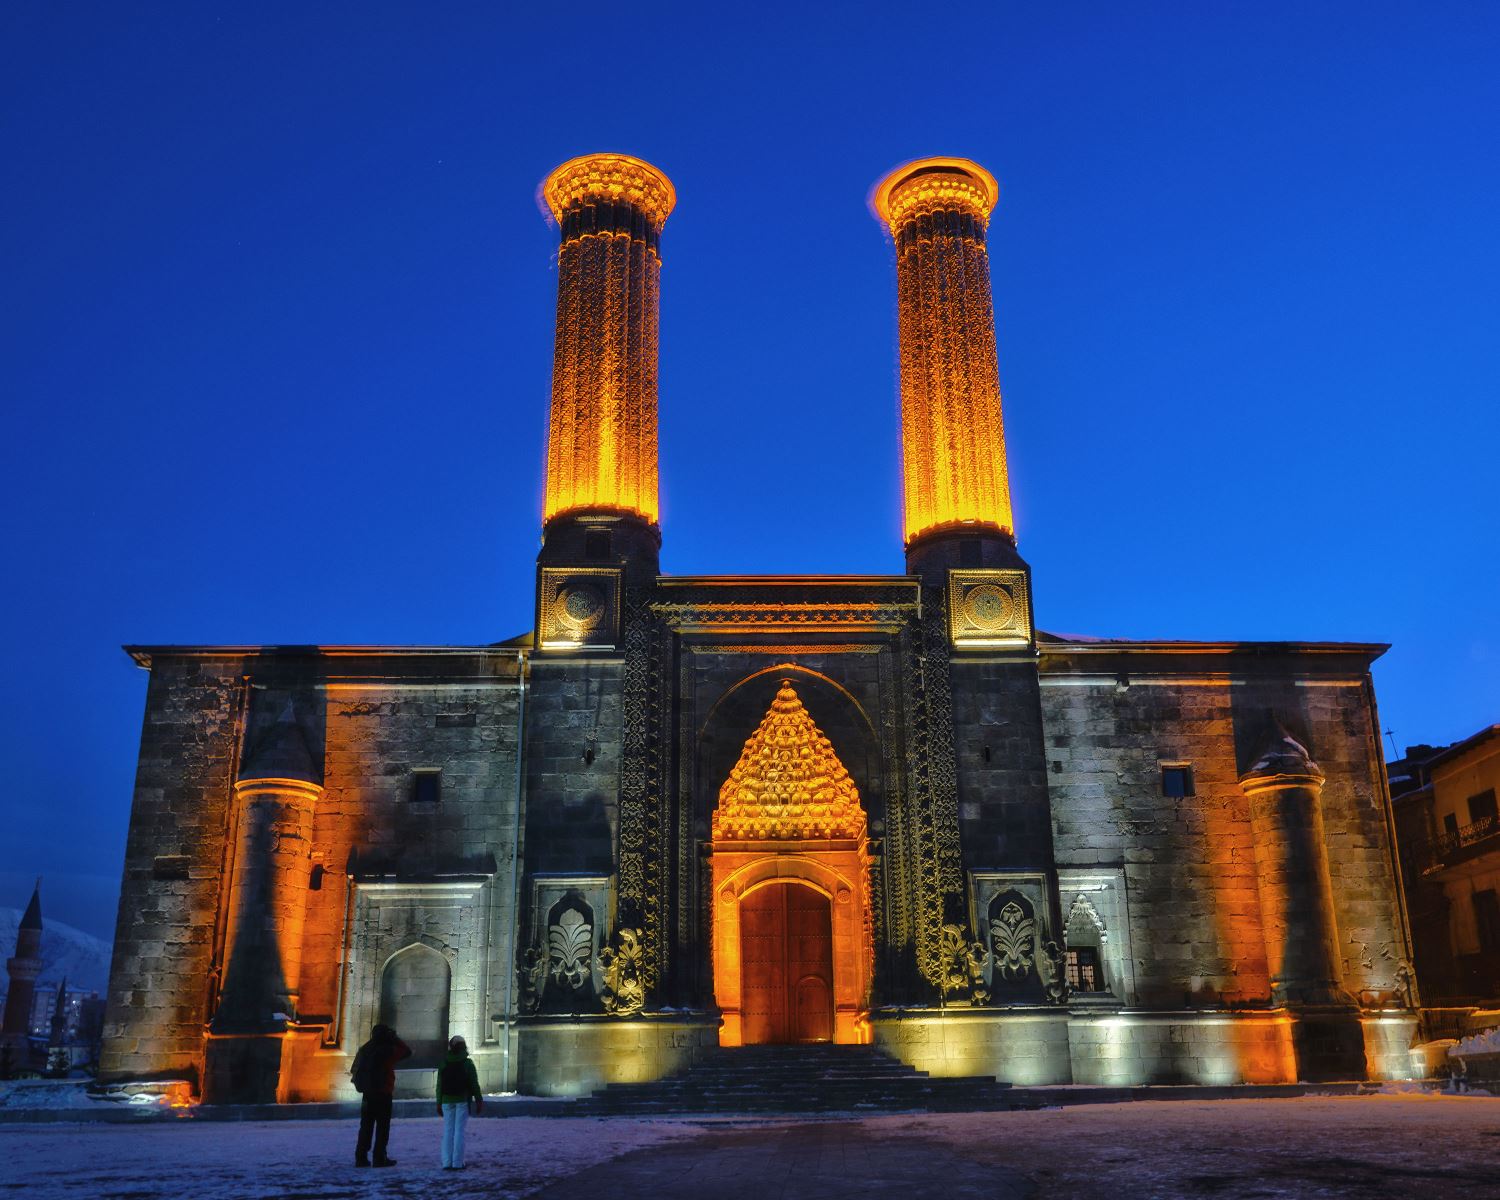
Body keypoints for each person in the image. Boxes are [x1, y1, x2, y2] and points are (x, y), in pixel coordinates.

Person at [351, 1023, 412, 1168]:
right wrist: (395, 1038)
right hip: (383, 1093)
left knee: (366, 1126)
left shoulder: (366, 1049)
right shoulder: (388, 1050)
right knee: (382, 1127)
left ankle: (361, 1157)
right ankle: (379, 1157)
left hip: (368, 1093)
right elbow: (406, 1051)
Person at [435, 1034, 484, 1170]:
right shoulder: (468, 1063)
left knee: (448, 1131)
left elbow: (439, 1085)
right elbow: (474, 1084)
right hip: (462, 1100)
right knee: (459, 1132)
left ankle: (446, 1162)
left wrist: (438, 1102)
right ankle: (457, 1162)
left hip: (446, 1100)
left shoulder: (444, 1063)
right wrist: (479, 1100)